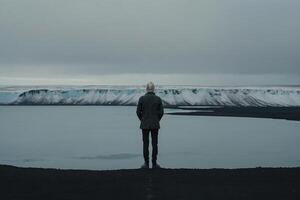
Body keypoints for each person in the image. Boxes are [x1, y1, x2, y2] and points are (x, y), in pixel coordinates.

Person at [136, 82, 164, 169]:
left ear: (146, 89)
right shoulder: (158, 99)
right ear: (154, 89)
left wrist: (142, 119)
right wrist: (156, 119)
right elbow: (161, 112)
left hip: (144, 125)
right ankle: (154, 163)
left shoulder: (142, 99)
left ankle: (146, 163)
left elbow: (138, 112)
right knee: (155, 144)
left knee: (145, 144)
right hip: (155, 124)